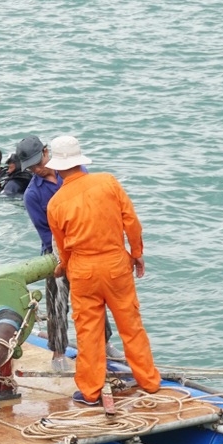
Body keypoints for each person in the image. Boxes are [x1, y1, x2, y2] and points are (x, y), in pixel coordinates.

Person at [44, 135, 161, 405]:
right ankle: (149, 381)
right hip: (116, 264)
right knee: (131, 326)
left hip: (83, 270)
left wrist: (65, 267)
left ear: (57, 168)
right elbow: (131, 222)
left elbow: (62, 246)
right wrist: (136, 254)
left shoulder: (55, 204)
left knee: (88, 332)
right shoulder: (108, 182)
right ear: (79, 161)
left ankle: (90, 391)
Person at [15, 135, 116, 372]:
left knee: (95, 297)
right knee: (57, 304)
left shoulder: (74, 171)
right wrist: (64, 257)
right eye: (31, 168)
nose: (37, 169)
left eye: (38, 163)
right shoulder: (32, 195)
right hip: (56, 252)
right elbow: (45, 233)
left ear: (46, 152)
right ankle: (58, 354)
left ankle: (105, 343)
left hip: (87, 247)